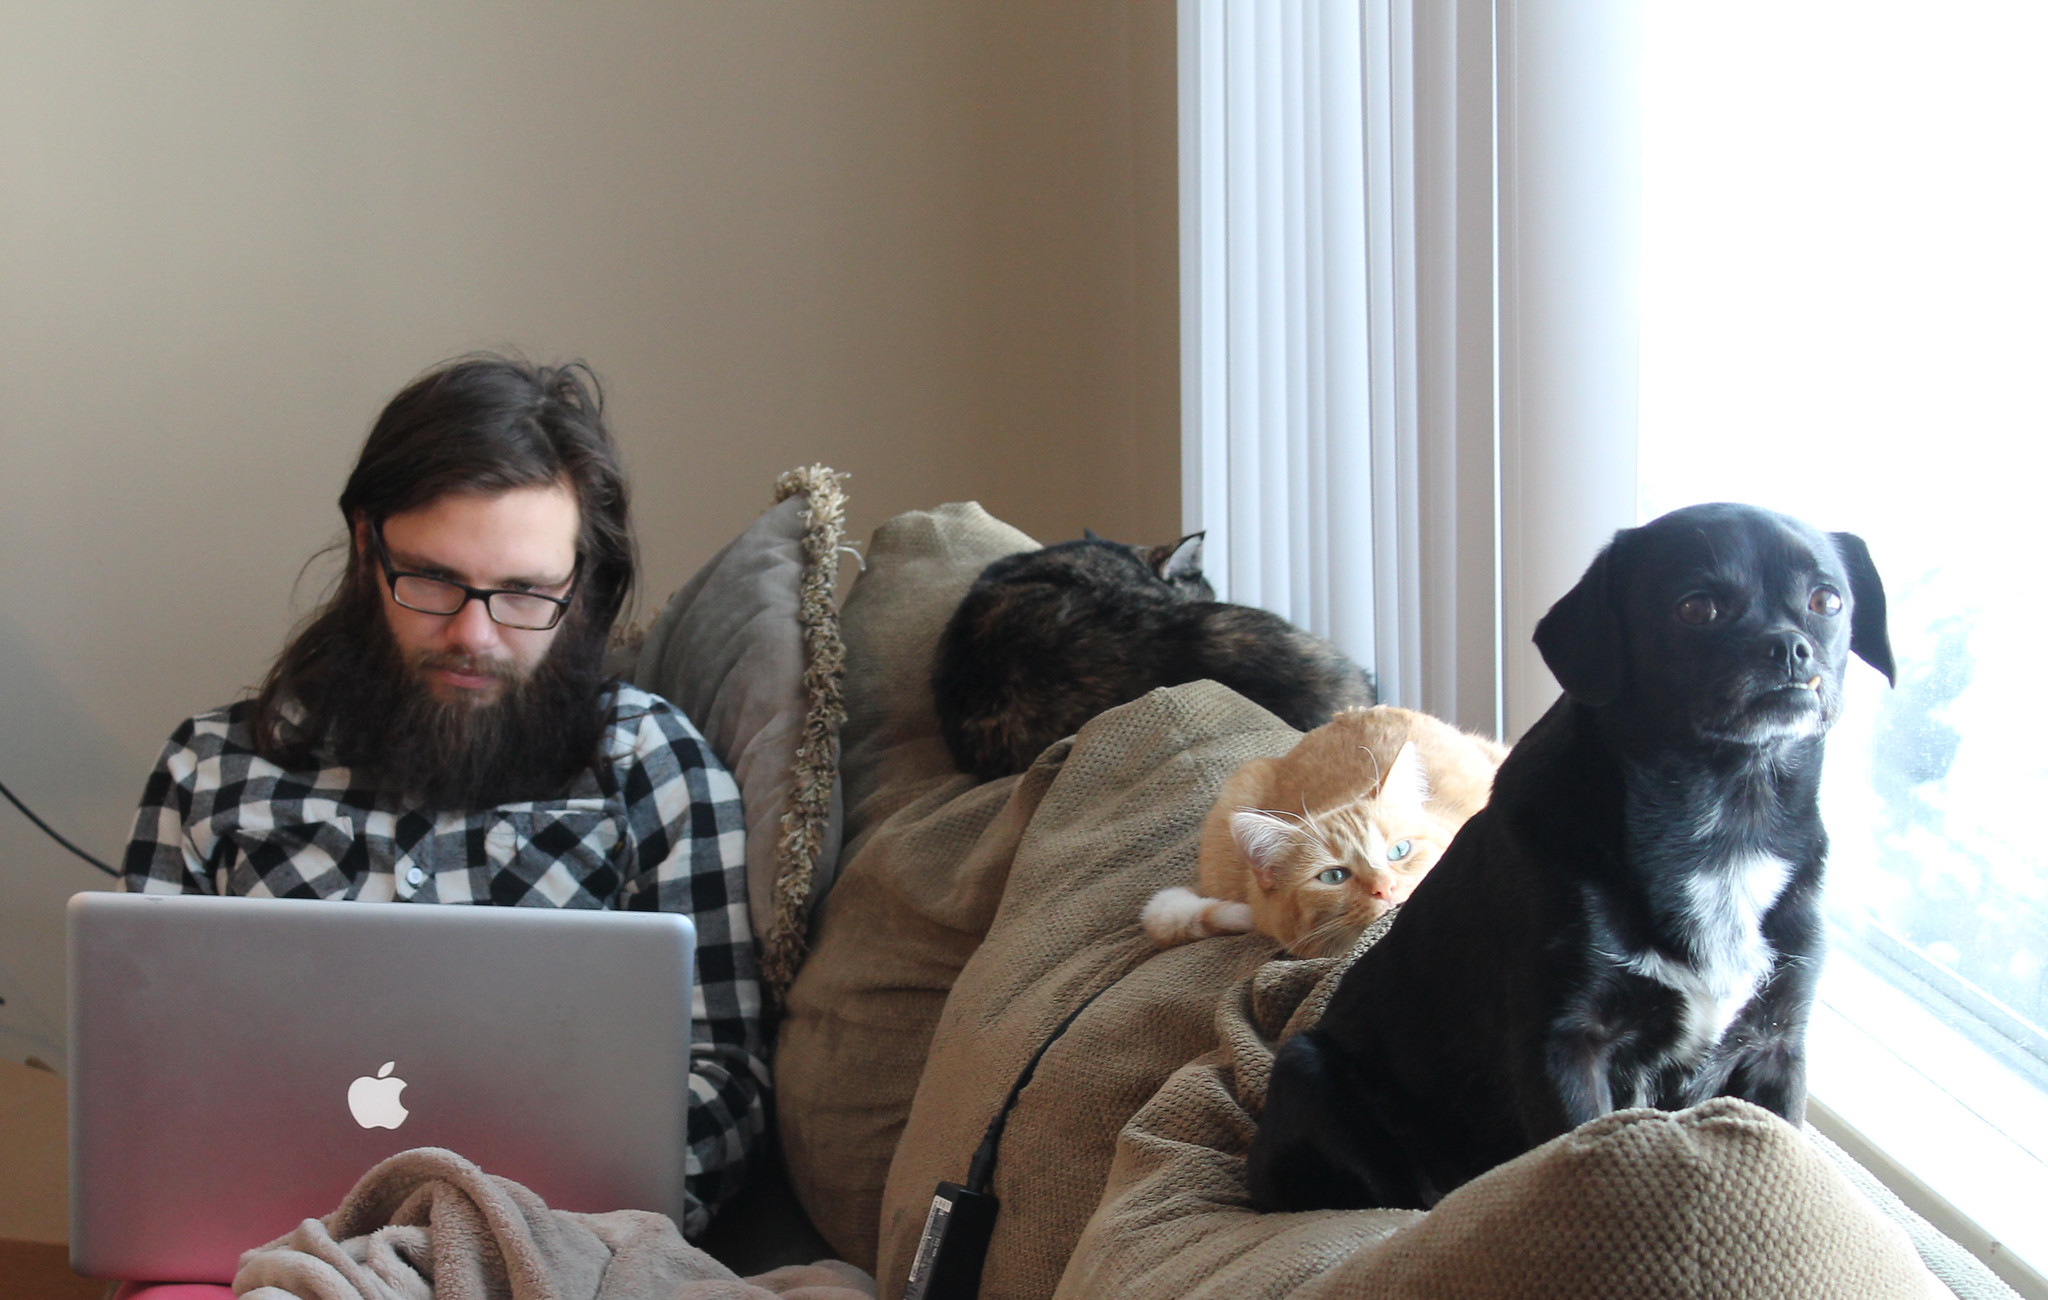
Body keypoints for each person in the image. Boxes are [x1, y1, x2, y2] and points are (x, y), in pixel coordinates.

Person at [122, 354, 762, 1238]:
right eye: (430, 579)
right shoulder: (211, 769)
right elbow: (143, 1082)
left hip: (545, 1260)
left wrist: (504, 1238)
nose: (473, 634)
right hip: (255, 1254)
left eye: (525, 593)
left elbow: (722, 1079)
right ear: (365, 547)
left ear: (581, 584)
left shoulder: (653, 766)